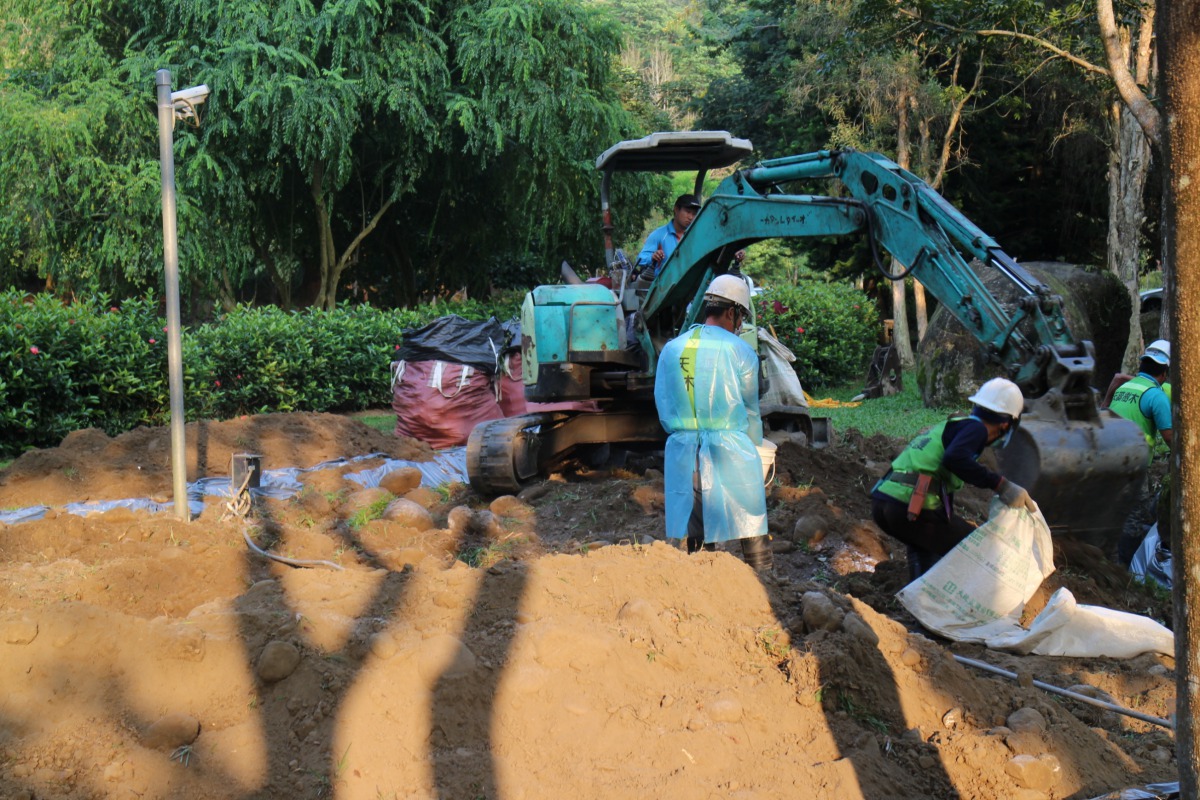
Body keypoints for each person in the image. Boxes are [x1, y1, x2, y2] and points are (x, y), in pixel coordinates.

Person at [654, 274, 772, 573]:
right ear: (732, 312)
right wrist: (757, 450)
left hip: (683, 452)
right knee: (750, 519)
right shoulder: (740, 350)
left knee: (696, 532)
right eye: (741, 316)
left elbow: (662, 402)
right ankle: (767, 584)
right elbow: (751, 411)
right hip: (730, 449)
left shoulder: (671, 349)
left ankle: (704, 590)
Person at [870, 377, 1039, 580]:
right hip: (907, 505)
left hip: (884, 504)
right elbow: (955, 458)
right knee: (977, 547)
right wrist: (1001, 485)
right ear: (1005, 424)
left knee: (925, 544)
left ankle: (915, 600)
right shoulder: (976, 429)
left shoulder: (955, 425)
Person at [1108, 339, 1173, 452]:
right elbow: (1169, 437)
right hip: (1133, 458)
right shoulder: (1157, 396)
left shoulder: (1125, 386)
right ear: (1164, 373)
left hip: (1108, 451)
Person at [636, 194, 702, 276]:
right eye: (688, 212)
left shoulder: (696, 237)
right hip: (662, 287)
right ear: (676, 209)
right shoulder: (659, 235)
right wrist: (652, 257)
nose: (690, 217)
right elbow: (640, 259)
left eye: (694, 214)